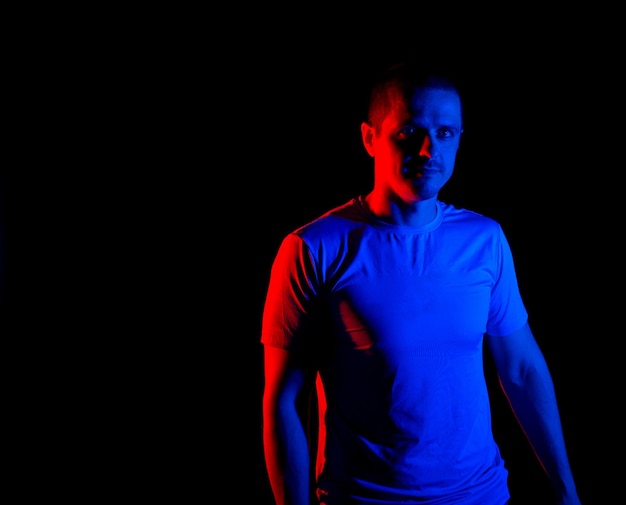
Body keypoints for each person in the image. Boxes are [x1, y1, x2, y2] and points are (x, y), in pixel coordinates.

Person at [261, 61, 581, 505]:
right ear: (370, 138)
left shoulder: (483, 239)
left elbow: (522, 369)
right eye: (410, 132)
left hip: (480, 496)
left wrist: (567, 492)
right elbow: (283, 401)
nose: (430, 150)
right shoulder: (313, 248)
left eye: (446, 133)